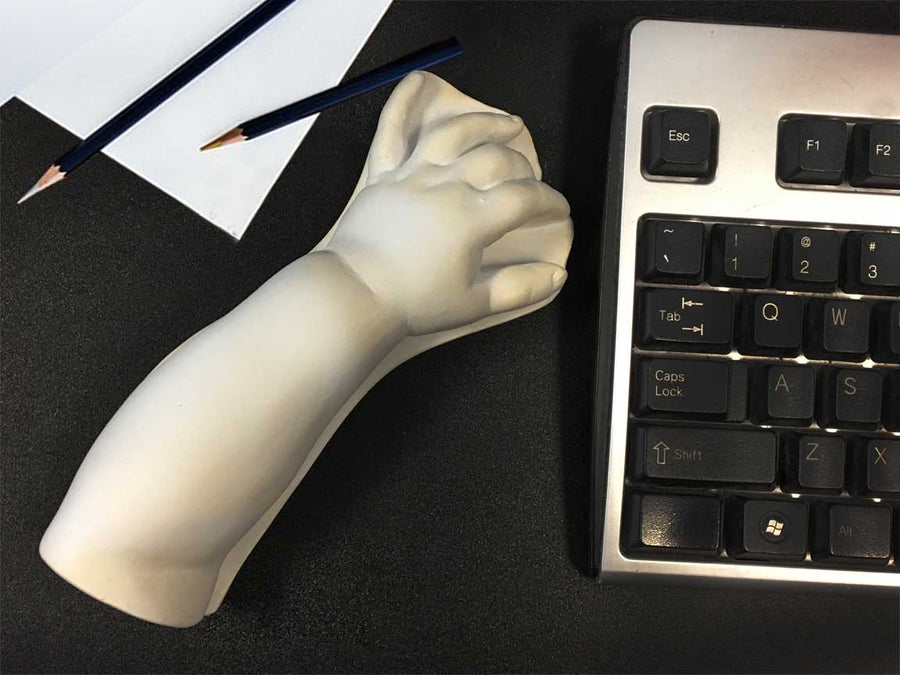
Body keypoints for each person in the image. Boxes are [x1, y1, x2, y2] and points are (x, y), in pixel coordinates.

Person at [39, 71, 573, 627]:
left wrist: (369, 278)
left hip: (145, 537)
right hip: (138, 541)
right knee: (117, 543)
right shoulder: (124, 531)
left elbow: (112, 538)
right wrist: (372, 280)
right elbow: (112, 539)